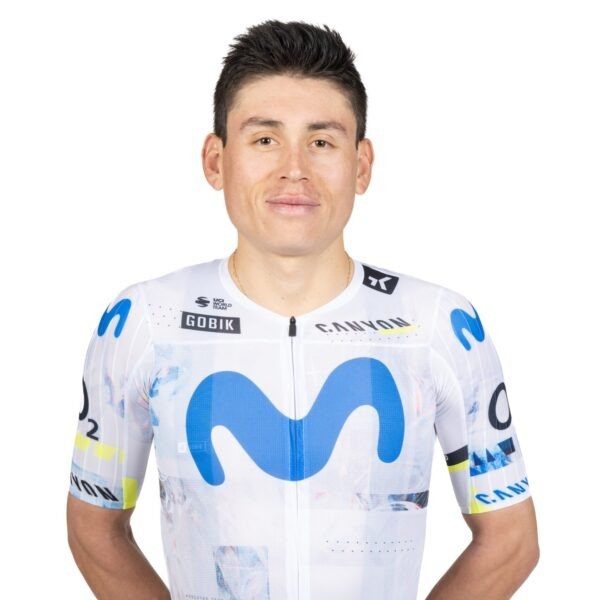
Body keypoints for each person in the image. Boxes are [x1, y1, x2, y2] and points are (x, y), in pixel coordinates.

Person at [66, 19, 539, 600]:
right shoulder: (144, 321)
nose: (295, 169)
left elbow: (510, 538)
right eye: (265, 139)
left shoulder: (439, 324)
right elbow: (94, 525)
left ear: (361, 165)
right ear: (216, 160)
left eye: (321, 142)